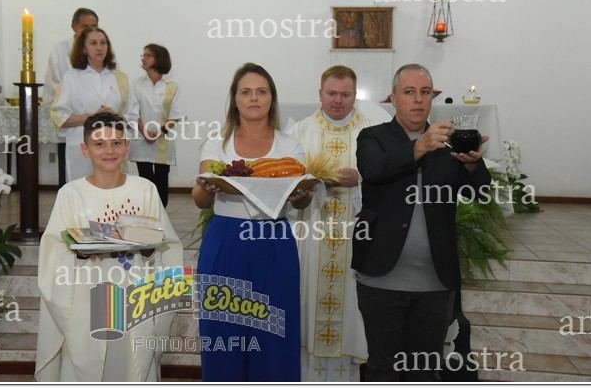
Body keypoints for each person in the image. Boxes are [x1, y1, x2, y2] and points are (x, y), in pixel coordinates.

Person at [352, 64, 491, 381]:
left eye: (425, 92)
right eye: (409, 92)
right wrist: (420, 146)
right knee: (382, 370)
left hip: (435, 283)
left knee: (425, 371)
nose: (418, 99)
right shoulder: (373, 137)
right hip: (380, 279)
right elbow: (375, 169)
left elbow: (479, 193)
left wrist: (472, 165)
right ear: (393, 98)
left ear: (432, 98)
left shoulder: (449, 143)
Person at [35, 112, 182, 382]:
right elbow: (53, 250)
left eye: (116, 143)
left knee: (129, 364)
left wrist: (150, 251)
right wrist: (76, 253)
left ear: (127, 146)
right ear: (85, 149)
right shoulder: (71, 194)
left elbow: (169, 245)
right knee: (90, 364)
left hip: (134, 294)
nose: (109, 150)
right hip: (87, 297)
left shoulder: (145, 190)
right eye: (99, 144)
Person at [192, 63, 312, 382]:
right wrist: (206, 186)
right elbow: (200, 200)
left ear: (272, 98)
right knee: (222, 330)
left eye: (261, 91)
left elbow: (301, 200)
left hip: (273, 241)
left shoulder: (290, 146)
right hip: (225, 241)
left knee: (275, 332)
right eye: (246, 92)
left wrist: (303, 194)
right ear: (235, 99)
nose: (254, 98)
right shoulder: (217, 144)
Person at [286, 65, 380, 381]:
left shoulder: (372, 133)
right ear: (320, 93)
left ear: (355, 96)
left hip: (355, 236)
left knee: (351, 306)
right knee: (308, 304)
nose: (338, 100)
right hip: (311, 236)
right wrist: (306, 185)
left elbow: (387, 182)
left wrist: (361, 179)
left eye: (345, 94)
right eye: (332, 93)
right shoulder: (299, 132)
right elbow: (286, 186)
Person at [50, 26, 137, 181]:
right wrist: (91, 117)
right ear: (83, 48)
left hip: (114, 147)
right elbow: (58, 116)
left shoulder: (120, 78)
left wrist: (116, 116)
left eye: (103, 43)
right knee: (84, 190)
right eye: (93, 43)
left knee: (113, 190)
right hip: (82, 147)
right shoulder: (71, 77)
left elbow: (133, 114)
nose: (99, 47)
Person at [44, 8, 99, 188]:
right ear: (74, 26)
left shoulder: (101, 50)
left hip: (97, 127)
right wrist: (82, 110)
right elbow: (55, 84)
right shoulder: (60, 51)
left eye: (94, 26)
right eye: (85, 26)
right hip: (71, 123)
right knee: (70, 178)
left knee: (98, 177)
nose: (90, 30)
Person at [129, 44, 183, 208]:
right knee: (145, 183)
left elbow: (175, 115)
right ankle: (147, 216)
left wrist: (159, 132)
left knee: (161, 183)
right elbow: (132, 112)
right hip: (141, 140)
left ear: (159, 59)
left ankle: (161, 217)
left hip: (163, 142)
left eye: (148, 55)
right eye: (143, 55)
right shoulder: (136, 84)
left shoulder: (172, 86)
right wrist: (144, 131)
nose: (143, 59)